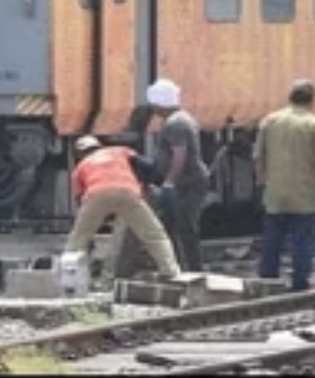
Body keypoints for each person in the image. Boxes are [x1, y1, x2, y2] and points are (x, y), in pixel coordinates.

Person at [254, 79, 315, 292]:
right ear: (313, 100)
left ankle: (267, 281)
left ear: (290, 97)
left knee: (272, 239)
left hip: (275, 193)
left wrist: (260, 184)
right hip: (305, 195)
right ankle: (300, 284)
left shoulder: (269, 121)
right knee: (302, 241)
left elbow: (258, 157)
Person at [65, 136, 181, 278]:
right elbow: (148, 166)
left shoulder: (81, 167)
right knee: (154, 235)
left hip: (96, 193)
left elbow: (80, 200)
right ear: (100, 146)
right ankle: (170, 271)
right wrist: (157, 183)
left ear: (79, 153)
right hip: (128, 192)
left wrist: (96, 224)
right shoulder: (120, 151)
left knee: (79, 238)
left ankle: (68, 274)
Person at [146, 78, 210, 272]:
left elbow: (179, 154)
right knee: (176, 225)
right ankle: (182, 267)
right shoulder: (180, 119)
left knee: (185, 227)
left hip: (186, 183)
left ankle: (192, 270)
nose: (152, 107)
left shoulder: (175, 124)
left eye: (154, 103)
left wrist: (169, 183)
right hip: (186, 182)